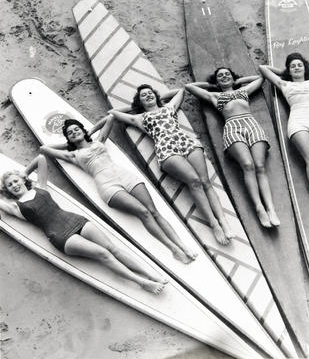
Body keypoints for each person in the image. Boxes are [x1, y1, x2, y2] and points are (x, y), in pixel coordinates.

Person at [40, 115, 197, 264]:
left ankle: (183, 246)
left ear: (82, 129)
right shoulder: (73, 155)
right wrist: (68, 144)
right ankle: (174, 249)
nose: (74, 133)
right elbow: (44, 149)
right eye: (70, 133)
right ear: (68, 138)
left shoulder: (99, 140)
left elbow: (110, 118)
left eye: (76, 129)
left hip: (124, 176)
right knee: (143, 213)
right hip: (108, 185)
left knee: (154, 211)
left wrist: (88, 132)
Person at [0, 155, 166, 294]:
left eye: (16, 181)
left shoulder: (40, 187)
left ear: (22, 180)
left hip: (74, 219)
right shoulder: (16, 207)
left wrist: (22, 174)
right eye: (10, 185)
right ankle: (142, 282)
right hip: (60, 236)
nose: (14, 185)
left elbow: (41, 158)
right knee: (103, 254)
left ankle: (150, 275)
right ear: (6, 190)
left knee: (113, 248)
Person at [109, 84, 234, 245]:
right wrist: (134, 107)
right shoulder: (139, 118)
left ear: (156, 95)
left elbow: (180, 90)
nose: (148, 96)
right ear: (139, 102)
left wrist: (159, 98)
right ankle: (214, 223)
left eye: (150, 93)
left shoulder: (169, 107)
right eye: (143, 96)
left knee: (205, 181)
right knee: (194, 182)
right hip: (167, 149)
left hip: (186, 142)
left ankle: (224, 221)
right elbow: (113, 113)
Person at [185, 68, 280, 228]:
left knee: (260, 166)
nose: (224, 76)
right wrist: (212, 84)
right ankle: (259, 207)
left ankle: (271, 209)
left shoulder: (243, 90)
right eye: (220, 75)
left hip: (251, 125)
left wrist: (237, 81)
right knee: (248, 166)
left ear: (232, 76)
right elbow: (190, 86)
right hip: (232, 127)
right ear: (216, 80)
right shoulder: (215, 96)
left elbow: (261, 77)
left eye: (227, 74)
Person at [259, 53, 309, 191]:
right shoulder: (284, 84)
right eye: (293, 66)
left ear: (305, 68)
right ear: (288, 70)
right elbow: (263, 68)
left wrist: (301, 69)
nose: (296, 68)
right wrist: (285, 73)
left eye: (299, 65)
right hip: (298, 122)